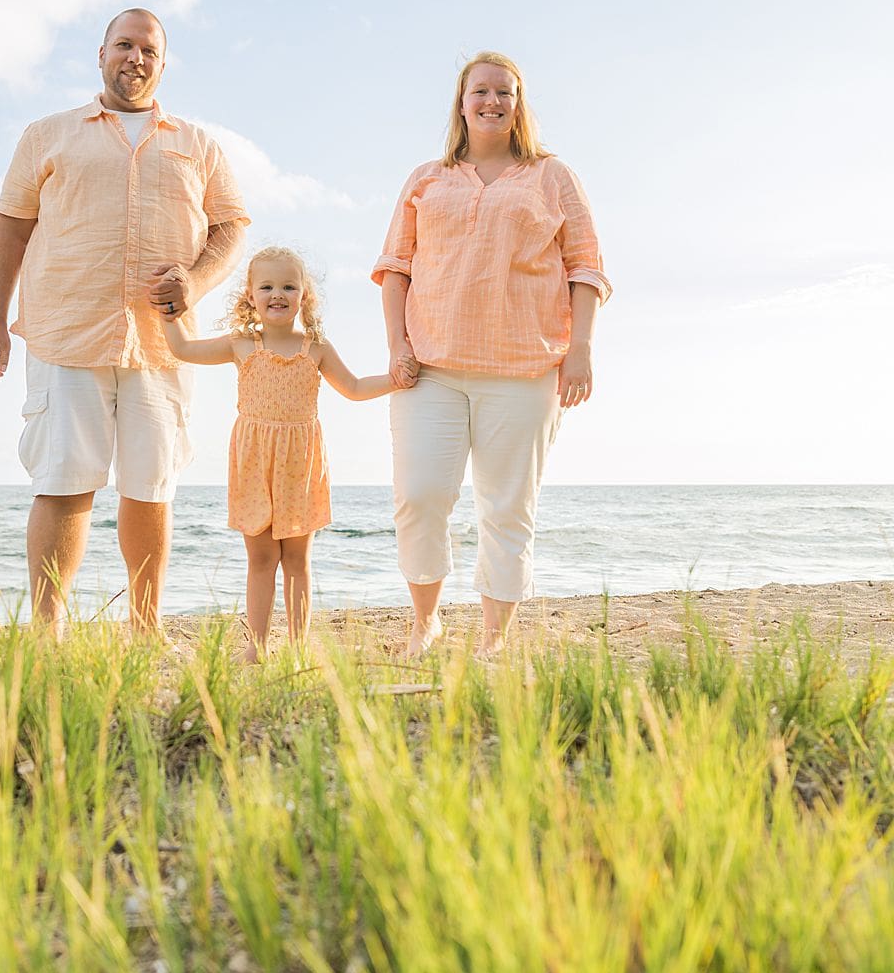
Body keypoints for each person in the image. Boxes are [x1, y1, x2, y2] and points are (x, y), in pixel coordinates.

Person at [0, 8, 249, 633]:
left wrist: (196, 280)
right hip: (66, 332)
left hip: (162, 342)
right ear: (101, 54)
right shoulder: (47, 135)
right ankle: (47, 634)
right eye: (124, 45)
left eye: (148, 49)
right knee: (63, 482)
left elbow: (231, 227)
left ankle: (145, 630)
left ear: (163, 63)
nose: (136, 58)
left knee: (151, 488)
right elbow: (10, 228)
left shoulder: (198, 144)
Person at [373, 51, 611, 658]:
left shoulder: (552, 176)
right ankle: (426, 622)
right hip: (430, 369)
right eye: (480, 90)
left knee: (507, 507)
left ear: (518, 104)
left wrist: (580, 349)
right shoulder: (427, 177)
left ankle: (493, 638)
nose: (492, 101)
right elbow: (395, 268)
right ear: (461, 102)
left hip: (525, 369)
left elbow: (585, 266)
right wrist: (398, 346)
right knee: (420, 496)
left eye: (504, 92)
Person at [163, 246, 401, 659]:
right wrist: (168, 314)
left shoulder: (316, 348)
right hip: (254, 462)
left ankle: (297, 647)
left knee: (296, 559)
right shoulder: (241, 344)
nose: (278, 294)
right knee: (260, 559)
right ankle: (255, 647)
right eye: (267, 286)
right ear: (250, 295)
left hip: (299, 464)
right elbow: (184, 350)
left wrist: (395, 379)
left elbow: (355, 388)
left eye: (289, 286)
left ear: (304, 295)